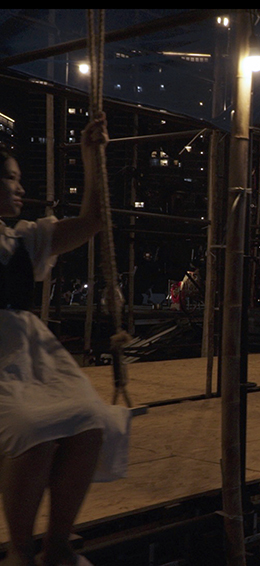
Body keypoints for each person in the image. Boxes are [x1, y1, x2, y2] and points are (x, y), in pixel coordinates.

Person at [0, 114, 131, 566]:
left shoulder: (24, 240)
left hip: (27, 348)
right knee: (34, 432)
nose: (20, 188)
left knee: (91, 422)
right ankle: (20, 550)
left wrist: (91, 157)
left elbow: (93, 220)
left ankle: (57, 542)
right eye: (11, 179)